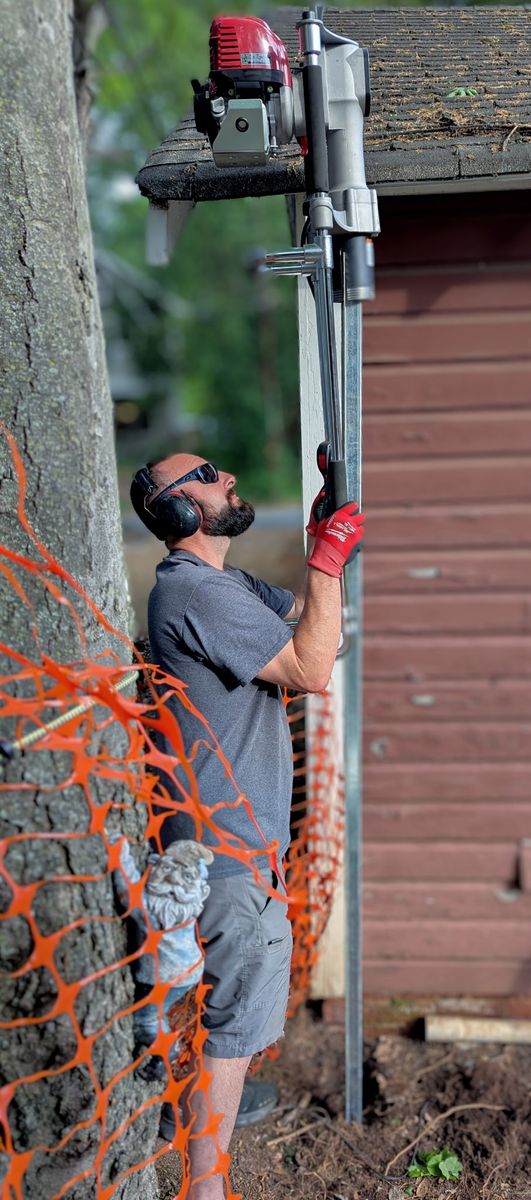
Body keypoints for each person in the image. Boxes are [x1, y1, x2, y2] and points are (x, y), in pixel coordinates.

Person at [130, 452, 365, 1200]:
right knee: (228, 1036)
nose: (226, 477)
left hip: (235, 846)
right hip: (224, 849)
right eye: (203, 474)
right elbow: (309, 668)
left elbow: (316, 637)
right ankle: (204, 1189)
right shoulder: (192, 592)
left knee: (223, 1022)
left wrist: (321, 549)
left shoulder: (229, 586)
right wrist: (325, 565)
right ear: (173, 512)